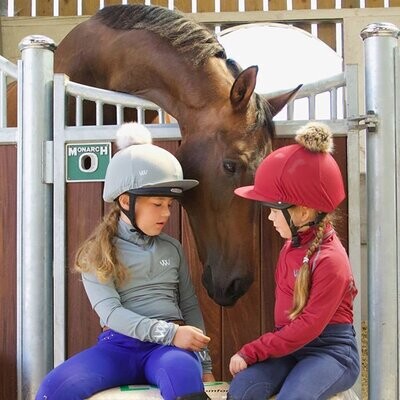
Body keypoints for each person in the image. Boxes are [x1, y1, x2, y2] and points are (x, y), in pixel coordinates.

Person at [36, 122, 214, 400]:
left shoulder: (172, 248)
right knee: (52, 389)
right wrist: (169, 333)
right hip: (118, 347)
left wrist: (205, 364)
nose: (166, 213)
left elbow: (189, 307)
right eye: (157, 204)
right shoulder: (96, 252)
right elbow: (111, 314)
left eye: (169, 205)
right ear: (126, 201)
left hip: (168, 352)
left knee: (182, 375)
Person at [228, 122, 360, 400]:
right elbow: (292, 333)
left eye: (276, 210)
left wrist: (252, 350)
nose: (270, 218)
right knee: (243, 389)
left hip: (331, 353)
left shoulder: (331, 260)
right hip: (291, 348)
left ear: (305, 210)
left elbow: (307, 327)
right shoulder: (291, 245)